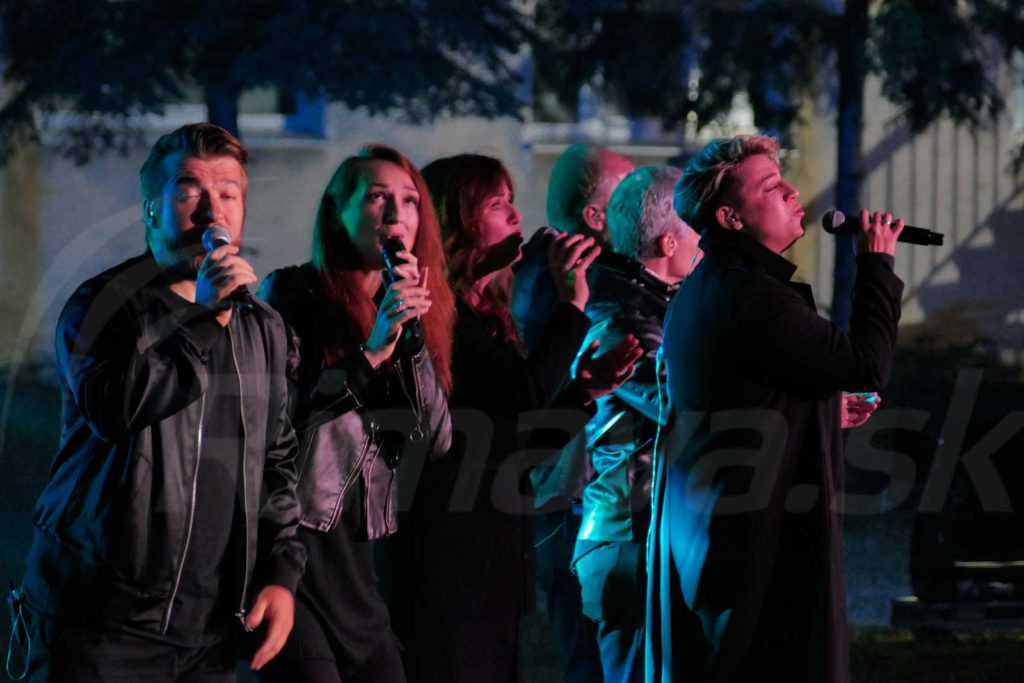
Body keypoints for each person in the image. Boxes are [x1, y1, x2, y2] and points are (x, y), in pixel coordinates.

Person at [16, 122, 306, 682]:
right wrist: (206, 320)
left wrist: (281, 573)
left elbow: (277, 462)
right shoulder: (102, 306)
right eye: (189, 192)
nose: (212, 212)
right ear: (151, 208)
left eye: (229, 194)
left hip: (208, 632)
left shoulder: (263, 327)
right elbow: (115, 411)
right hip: (102, 622)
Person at [647, 135, 903, 682]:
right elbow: (865, 365)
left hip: (721, 538)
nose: (790, 191)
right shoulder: (753, 295)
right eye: (769, 186)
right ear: (731, 218)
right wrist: (876, 265)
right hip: (759, 549)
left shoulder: (709, 286)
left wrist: (815, 409)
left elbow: (733, 396)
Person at [396, 153, 640, 682]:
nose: (516, 215)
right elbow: (524, 396)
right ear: (458, 222)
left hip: (494, 554)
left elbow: (517, 446)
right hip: (450, 557)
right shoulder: (443, 319)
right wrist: (572, 303)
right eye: (497, 203)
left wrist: (583, 391)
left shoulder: (488, 315)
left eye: (512, 200)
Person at [256, 144, 454, 683]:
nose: (396, 214)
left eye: (410, 201)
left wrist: (411, 342)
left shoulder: (411, 308)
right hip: (292, 548)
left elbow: (435, 439)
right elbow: (285, 421)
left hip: (355, 560)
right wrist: (370, 352)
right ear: (338, 213)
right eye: (377, 197)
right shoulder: (293, 291)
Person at [571, 165, 701, 683]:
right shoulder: (618, 314)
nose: (705, 246)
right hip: (627, 536)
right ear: (669, 243)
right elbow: (682, 400)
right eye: (696, 233)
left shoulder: (654, 302)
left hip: (648, 532)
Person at [510, 142, 634, 683]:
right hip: (570, 500)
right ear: (595, 216)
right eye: (629, 196)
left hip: (575, 496)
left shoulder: (552, 270)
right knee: (594, 660)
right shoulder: (565, 282)